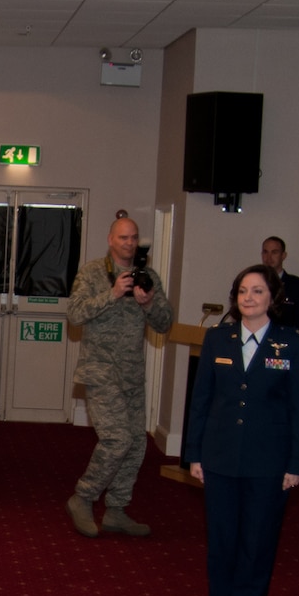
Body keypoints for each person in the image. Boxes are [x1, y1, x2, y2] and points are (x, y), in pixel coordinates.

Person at [184, 265, 299, 596]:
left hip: (268, 464)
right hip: (221, 459)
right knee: (221, 545)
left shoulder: (290, 344)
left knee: (255, 547)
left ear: (271, 298)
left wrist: (296, 462)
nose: (249, 298)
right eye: (243, 291)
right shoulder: (217, 339)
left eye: (257, 291)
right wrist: (193, 453)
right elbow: (201, 399)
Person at [65, 215, 173, 538]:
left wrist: (150, 302)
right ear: (111, 239)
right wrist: (112, 294)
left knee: (137, 443)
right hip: (100, 371)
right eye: (123, 238)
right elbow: (74, 314)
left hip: (132, 374)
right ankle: (82, 496)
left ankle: (116, 509)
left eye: (134, 238)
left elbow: (165, 323)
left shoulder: (148, 277)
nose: (129, 244)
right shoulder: (92, 273)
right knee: (117, 440)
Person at [260, 235, 299, 335]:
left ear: (283, 255)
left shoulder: (298, 286)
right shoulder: (252, 284)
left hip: (285, 345)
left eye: (274, 252)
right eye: (265, 252)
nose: (269, 257)